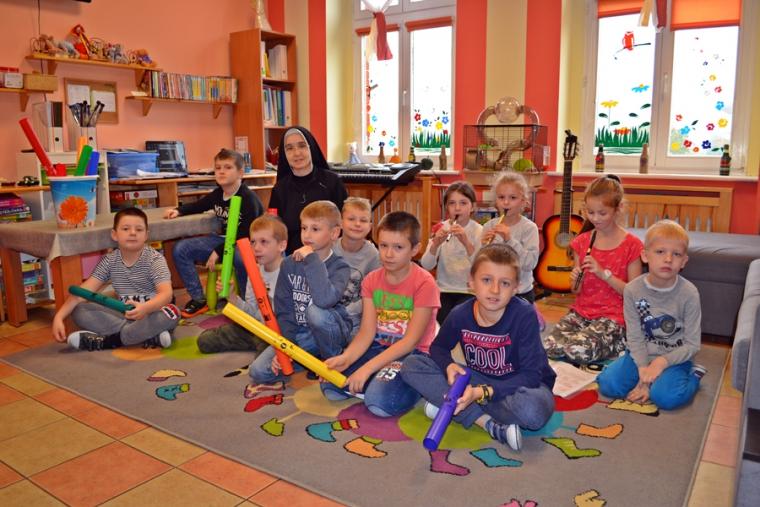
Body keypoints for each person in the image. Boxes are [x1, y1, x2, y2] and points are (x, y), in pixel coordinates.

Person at [401, 244, 556, 452]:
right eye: (486, 280)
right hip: (479, 381)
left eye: (505, 283)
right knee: (412, 364)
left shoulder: (524, 315)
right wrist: (448, 366)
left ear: (516, 288)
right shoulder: (460, 314)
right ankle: (485, 422)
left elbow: (531, 375)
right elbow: (438, 348)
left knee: (532, 412)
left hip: (522, 387)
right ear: (471, 282)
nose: (495, 290)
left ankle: (448, 404)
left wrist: (481, 393)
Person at [321, 211, 441, 417]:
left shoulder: (425, 283)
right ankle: (378, 380)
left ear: (415, 249)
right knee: (330, 385)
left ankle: (410, 385)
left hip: (413, 355)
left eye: (398, 247)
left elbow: (410, 342)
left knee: (379, 403)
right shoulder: (371, 280)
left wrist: (366, 369)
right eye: (383, 245)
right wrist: (346, 358)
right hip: (379, 346)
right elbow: (366, 332)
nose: (389, 254)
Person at [597, 220, 705, 409]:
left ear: (684, 261)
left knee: (665, 398)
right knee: (608, 385)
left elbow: (692, 344)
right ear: (645, 256)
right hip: (640, 354)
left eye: (676, 254)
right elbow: (635, 336)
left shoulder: (689, 293)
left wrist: (661, 363)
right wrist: (643, 371)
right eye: (660, 251)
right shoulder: (632, 290)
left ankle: (694, 376)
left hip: (674, 358)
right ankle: (644, 377)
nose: (668, 259)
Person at [246, 200, 353, 390]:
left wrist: (311, 258)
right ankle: (310, 359)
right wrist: (286, 349)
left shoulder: (340, 267)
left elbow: (324, 300)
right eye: (304, 228)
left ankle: (332, 359)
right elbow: (284, 310)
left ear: (334, 233)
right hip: (301, 335)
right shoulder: (289, 264)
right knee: (258, 371)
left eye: (315, 229)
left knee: (314, 312)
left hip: (331, 332)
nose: (307, 235)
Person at [543, 175, 643, 364]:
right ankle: (591, 340)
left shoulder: (632, 245)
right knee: (550, 347)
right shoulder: (582, 242)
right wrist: (575, 280)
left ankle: (620, 343)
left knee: (577, 351)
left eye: (602, 213)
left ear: (618, 208)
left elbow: (635, 293)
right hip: (582, 312)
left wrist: (603, 273)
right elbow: (576, 291)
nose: (595, 218)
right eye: (590, 212)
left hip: (614, 317)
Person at [52, 207, 180, 350]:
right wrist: (59, 317)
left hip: (152, 314)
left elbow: (166, 294)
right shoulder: (109, 261)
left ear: (146, 235)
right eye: (126, 229)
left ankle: (107, 342)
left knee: (172, 312)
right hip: (124, 316)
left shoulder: (155, 259)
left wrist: (145, 308)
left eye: (139, 229)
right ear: (114, 234)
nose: (133, 233)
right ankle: (148, 336)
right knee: (80, 310)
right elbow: (82, 293)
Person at [165, 148, 264, 318]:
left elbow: (244, 234)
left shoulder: (249, 199)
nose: (221, 171)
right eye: (218, 168)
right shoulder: (218, 194)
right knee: (181, 249)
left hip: (245, 244)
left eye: (227, 167)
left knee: (241, 259)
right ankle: (198, 299)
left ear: (240, 173)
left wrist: (219, 251)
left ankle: (245, 304)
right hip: (222, 241)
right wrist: (179, 210)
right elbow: (199, 205)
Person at [197, 215, 287, 354]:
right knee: (205, 340)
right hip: (256, 327)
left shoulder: (289, 272)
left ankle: (262, 347)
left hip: (278, 334)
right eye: (253, 242)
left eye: (264, 242)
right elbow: (251, 313)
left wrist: (266, 297)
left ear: (281, 245)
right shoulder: (255, 271)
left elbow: (288, 318)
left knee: (264, 362)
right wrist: (232, 297)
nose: (256, 248)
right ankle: (256, 342)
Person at [269, 126, 348, 254]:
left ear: (311, 148)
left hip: (328, 255)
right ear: (284, 154)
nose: (297, 153)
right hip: (292, 257)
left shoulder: (332, 182)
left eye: (302, 146)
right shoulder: (279, 189)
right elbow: (274, 230)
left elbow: (344, 224)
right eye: (290, 148)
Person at [420, 181, 482, 324]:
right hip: (443, 289)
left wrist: (466, 243)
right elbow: (426, 265)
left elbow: (481, 266)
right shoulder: (440, 228)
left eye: (463, 203)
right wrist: (436, 244)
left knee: (460, 319)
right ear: (447, 207)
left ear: (472, 206)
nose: (457, 208)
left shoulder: (479, 231)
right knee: (442, 321)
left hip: (469, 291)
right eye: (452, 203)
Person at [480, 172, 539, 303]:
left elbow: (530, 263)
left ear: (523, 201)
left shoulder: (529, 228)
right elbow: (482, 264)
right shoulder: (489, 226)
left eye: (513, 198)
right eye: (501, 197)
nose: (506, 202)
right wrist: (484, 247)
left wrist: (509, 240)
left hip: (521, 292)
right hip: (494, 291)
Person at [333, 197, 381, 336]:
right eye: (351, 219)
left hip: (356, 317)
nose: (357, 224)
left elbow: (374, 294)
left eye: (363, 220)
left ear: (370, 226)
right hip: (329, 313)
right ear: (341, 222)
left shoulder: (373, 255)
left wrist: (346, 312)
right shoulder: (330, 247)